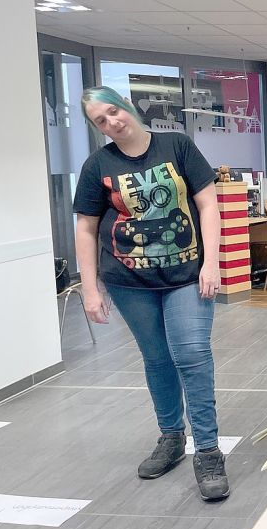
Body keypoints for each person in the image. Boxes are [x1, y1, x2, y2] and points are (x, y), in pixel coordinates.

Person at [72, 86, 229, 502]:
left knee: (192, 355)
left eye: (113, 111)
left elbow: (208, 204)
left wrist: (211, 262)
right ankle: (171, 437)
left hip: (186, 276)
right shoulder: (98, 165)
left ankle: (209, 451)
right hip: (129, 282)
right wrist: (90, 288)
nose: (112, 123)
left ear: (126, 105)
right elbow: (86, 227)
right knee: (157, 359)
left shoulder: (177, 145)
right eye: (100, 121)